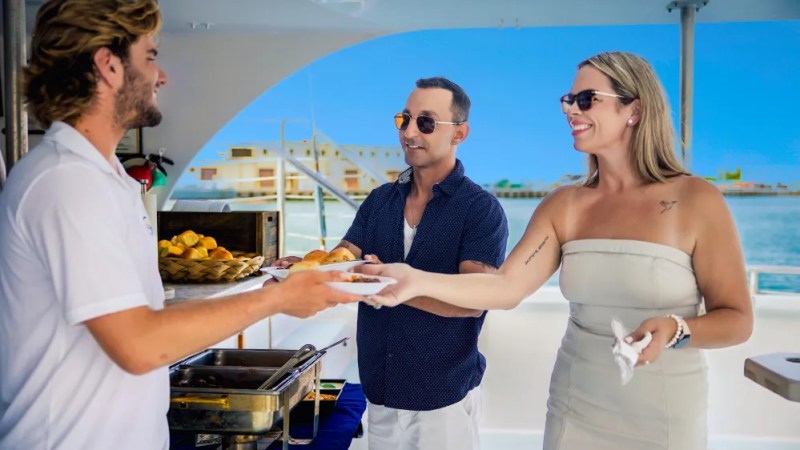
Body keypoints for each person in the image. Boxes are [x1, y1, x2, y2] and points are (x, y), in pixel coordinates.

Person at [0, 1, 360, 449]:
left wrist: (271, 292)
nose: (161, 76)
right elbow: (139, 344)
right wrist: (278, 299)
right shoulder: (66, 181)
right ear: (108, 66)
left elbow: (141, 324)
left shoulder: (105, 179)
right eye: (149, 56)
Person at [360, 52, 754, 450]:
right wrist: (412, 280)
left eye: (586, 99)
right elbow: (505, 287)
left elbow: (737, 320)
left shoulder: (696, 200)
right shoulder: (564, 205)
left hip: (665, 417)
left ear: (633, 110)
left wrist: (677, 329)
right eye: (568, 100)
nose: (570, 109)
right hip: (574, 410)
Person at [272, 77, 509, 449]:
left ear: (459, 133)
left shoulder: (480, 210)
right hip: (379, 390)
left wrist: (392, 289)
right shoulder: (379, 200)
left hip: (441, 396)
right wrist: (303, 269)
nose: (409, 132)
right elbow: (343, 256)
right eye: (404, 119)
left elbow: (473, 300)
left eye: (426, 123)